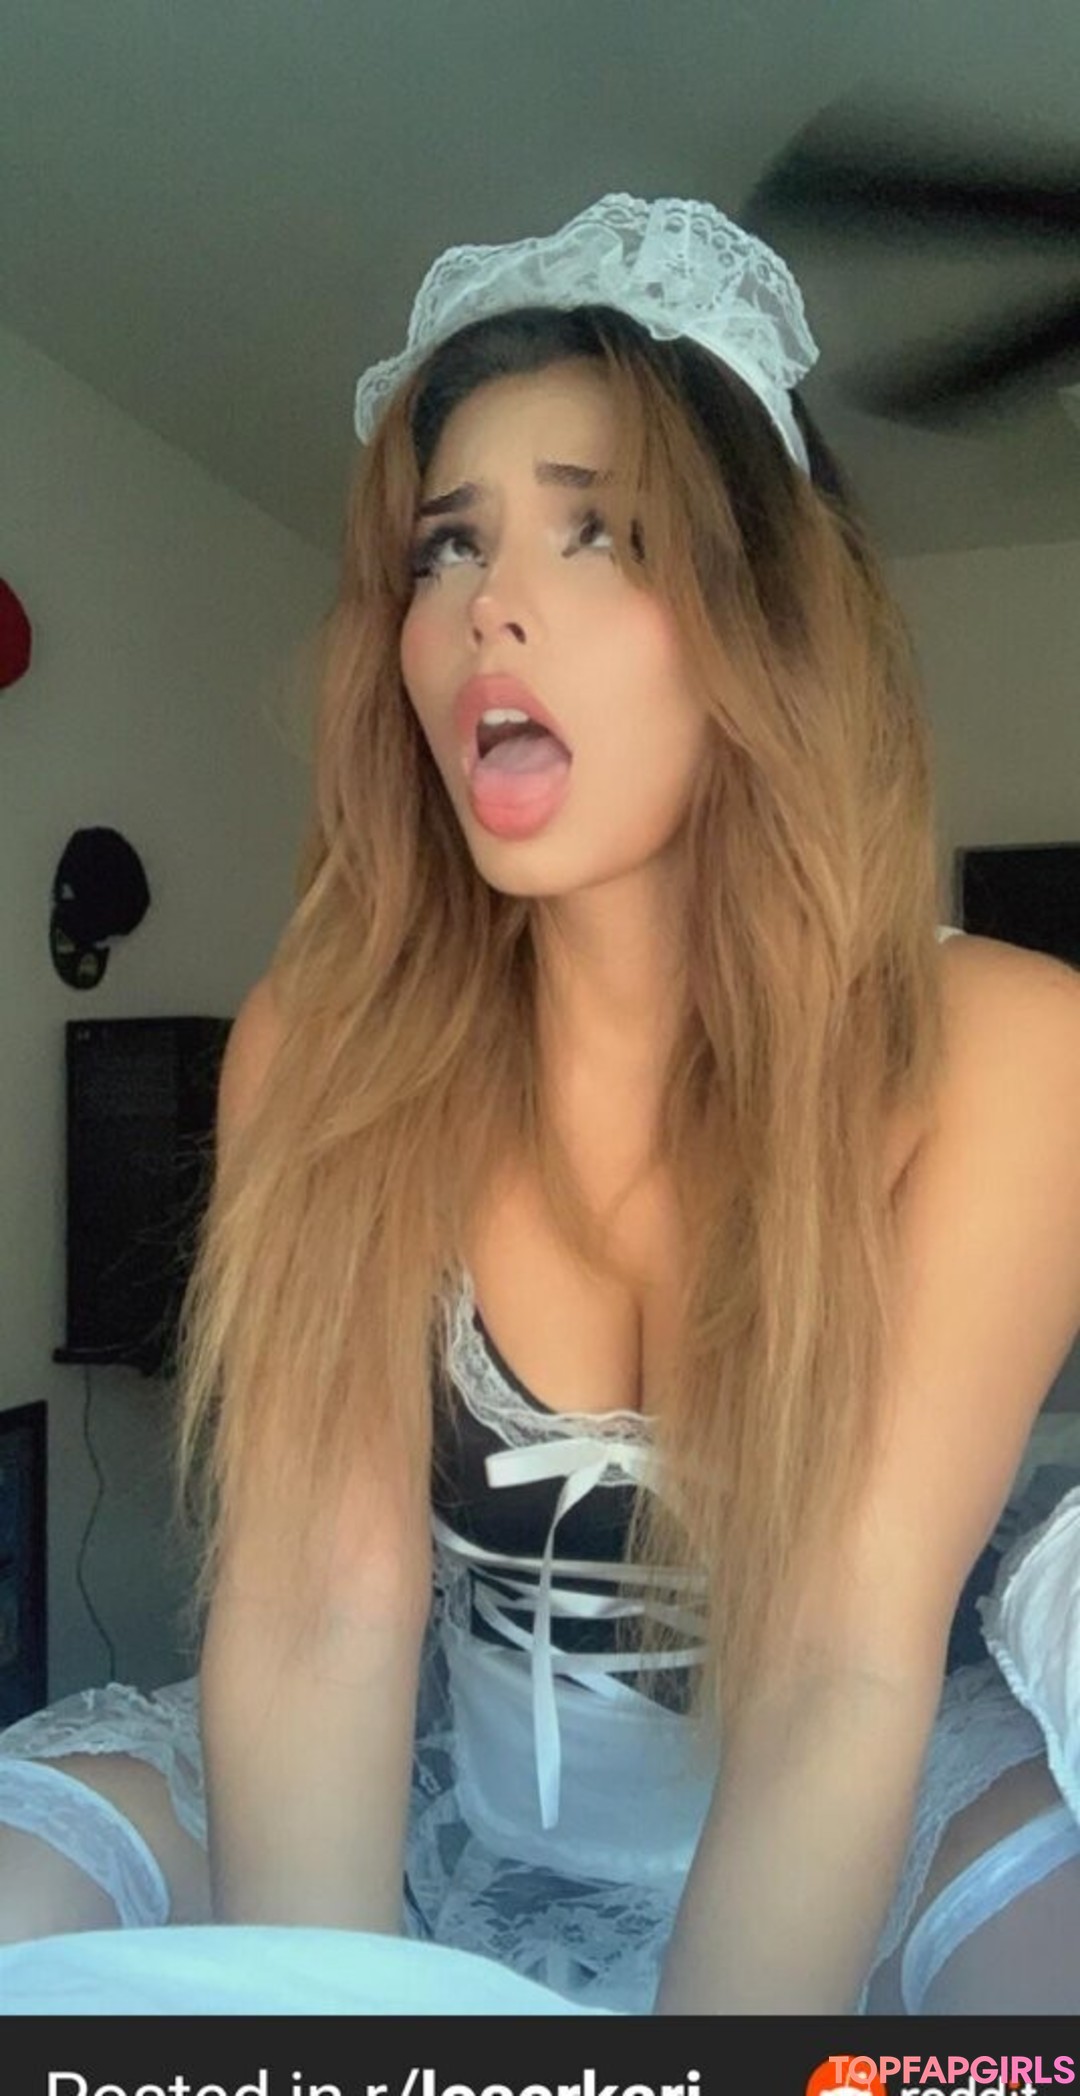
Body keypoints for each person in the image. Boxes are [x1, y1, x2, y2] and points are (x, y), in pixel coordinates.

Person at [1, 192, 1079, 2017]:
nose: (488, 602)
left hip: (873, 1814)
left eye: (603, 532)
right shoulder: (320, 1047)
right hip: (430, 1793)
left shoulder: (1012, 1051)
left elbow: (838, 1668)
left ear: (764, 623)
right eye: (447, 546)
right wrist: (347, 2038)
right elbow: (321, 1611)